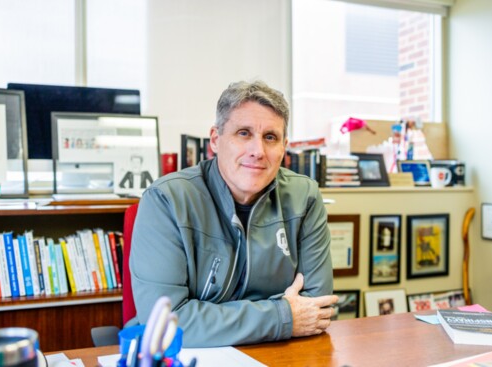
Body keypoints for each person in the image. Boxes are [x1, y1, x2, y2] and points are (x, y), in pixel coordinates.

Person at [130, 80, 338, 347]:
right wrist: (283, 315)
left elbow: (317, 310)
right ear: (216, 140)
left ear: (283, 147)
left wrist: (209, 317)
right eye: (243, 133)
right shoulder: (167, 200)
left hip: (277, 354)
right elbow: (163, 324)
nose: (258, 151)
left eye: (270, 137)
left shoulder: (305, 198)